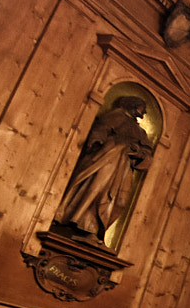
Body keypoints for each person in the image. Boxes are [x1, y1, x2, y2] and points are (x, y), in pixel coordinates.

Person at [53, 94, 152, 241]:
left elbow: (147, 154)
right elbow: (101, 129)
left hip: (123, 167)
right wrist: (97, 140)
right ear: (133, 105)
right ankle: (83, 225)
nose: (143, 113)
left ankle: (97, 229)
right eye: (142, 108)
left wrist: (137, 151)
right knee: (96, 190)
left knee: (120, 201)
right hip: (107, 158)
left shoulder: (141, 132)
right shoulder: (115, 116)